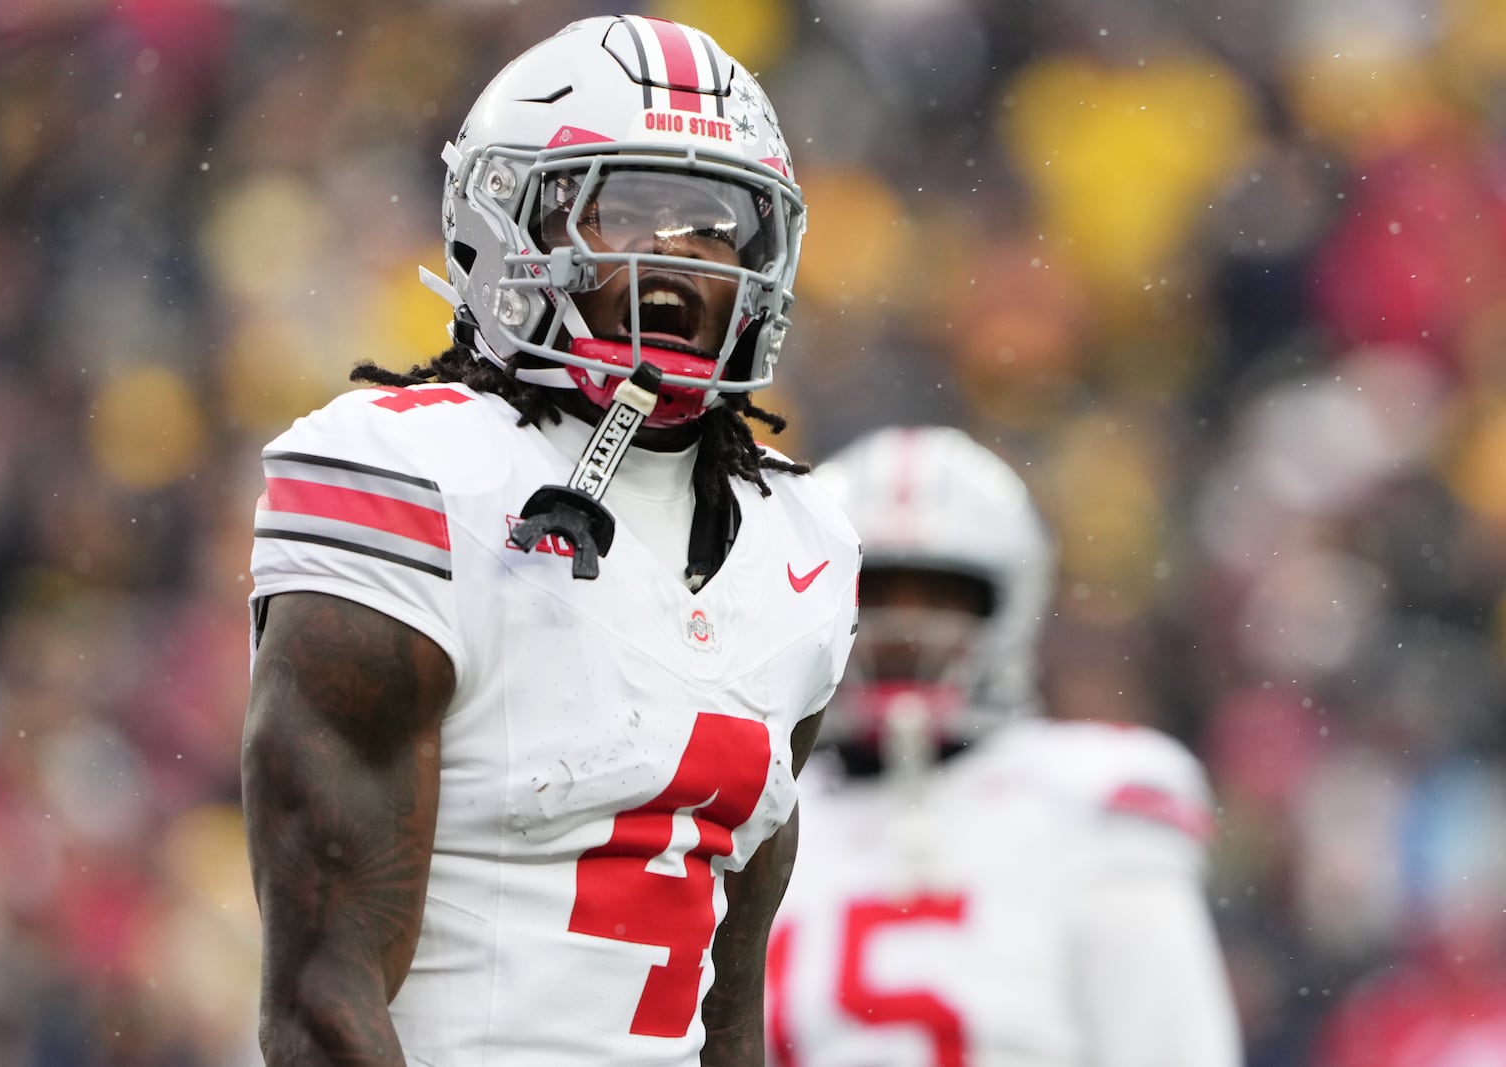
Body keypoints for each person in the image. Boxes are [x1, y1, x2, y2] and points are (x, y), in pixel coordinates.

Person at [239, 15, 859, 1067]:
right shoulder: (413, 477)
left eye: (715, 225)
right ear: (506, 224)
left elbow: (727, 1006)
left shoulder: (802, 542)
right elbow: (319, 1000)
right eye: (631, 209)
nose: (677, 258)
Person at [765, 425, 1242, 1067]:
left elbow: (1170, 1047)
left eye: (939, 596)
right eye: (873, 595)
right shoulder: (762, 817)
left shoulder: (1091, 799)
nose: (905, 630)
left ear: (1008, 607)